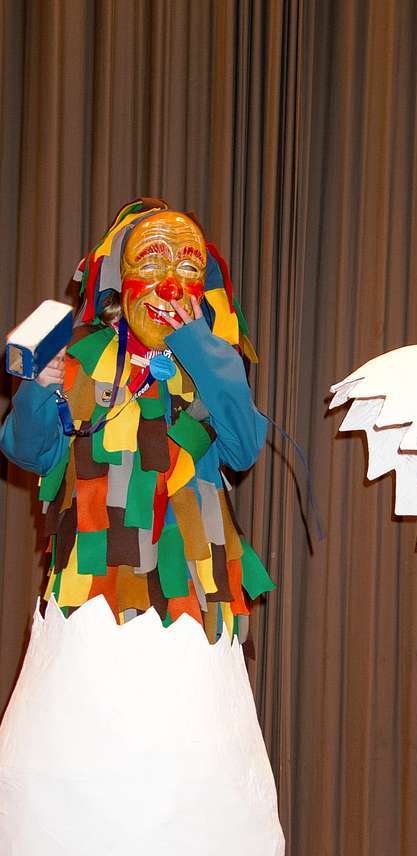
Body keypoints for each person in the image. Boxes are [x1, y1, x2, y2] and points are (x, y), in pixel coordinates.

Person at [1, 197, 273, 642]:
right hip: (92, 602)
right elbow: (26, 452)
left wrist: (201, 349)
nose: (170, 286)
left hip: (191, 600)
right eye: (151, 262)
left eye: (188, 267)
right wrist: (41, 385)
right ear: (118, 277)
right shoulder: (79, 360)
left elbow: (242, 450)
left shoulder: (212, 364)